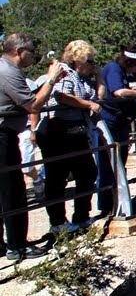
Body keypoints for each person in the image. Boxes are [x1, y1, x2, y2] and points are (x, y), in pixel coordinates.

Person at [0, 34, 66, 261]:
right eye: (31, 51)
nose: (34, 55)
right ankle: (17, 246)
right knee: (13, 192)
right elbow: (33, 105)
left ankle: (5, 244)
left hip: (5, 135)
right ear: (19, 51)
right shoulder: (8, 72)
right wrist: (50, 79)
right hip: (3, 137)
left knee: (4, 191)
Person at [36, 40, 102, 234]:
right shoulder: (64, 73)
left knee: (88, 173)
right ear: (78, 60)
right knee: (57, 178)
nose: (92, 64)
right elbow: (61, 96)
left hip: (77, 131)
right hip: (58, 131)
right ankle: (58, 223)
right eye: (89, 61)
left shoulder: (83, 79)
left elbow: (99, 96)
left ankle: (81, 216)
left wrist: (99, 77)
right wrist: (87, 105)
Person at [96, 45, 136, 216]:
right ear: (132, 61)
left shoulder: (132, 72)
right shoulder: (114, 69)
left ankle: (121, 200)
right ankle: (108, 206)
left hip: (122, 119)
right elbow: (118, 91)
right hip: (110, 119)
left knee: (120, 161)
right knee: (108, 164)